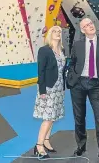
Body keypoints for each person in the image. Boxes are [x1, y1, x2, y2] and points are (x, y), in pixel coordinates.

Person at [67, 18, 99, 163]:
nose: (90, 26)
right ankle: (81, 145)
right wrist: (71, 77)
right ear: (82, 30)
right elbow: (73, 62)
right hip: (78, 84)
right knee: (79, 118)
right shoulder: (77, 44)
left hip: (96, 85)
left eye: (91, 24)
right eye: (86, 25)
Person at [33, 25, 66, 158]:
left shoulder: (61, 50)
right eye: (55, 31)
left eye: (60, 31)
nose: (58, 33)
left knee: (53, 116)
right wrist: (42, 90)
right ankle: (39, 145)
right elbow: (40, 71)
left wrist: (63, 87)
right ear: (50, 34)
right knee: (48, 117)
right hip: (48, 88)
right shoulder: (44, 50)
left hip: (58, 88)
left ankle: (46, 140)